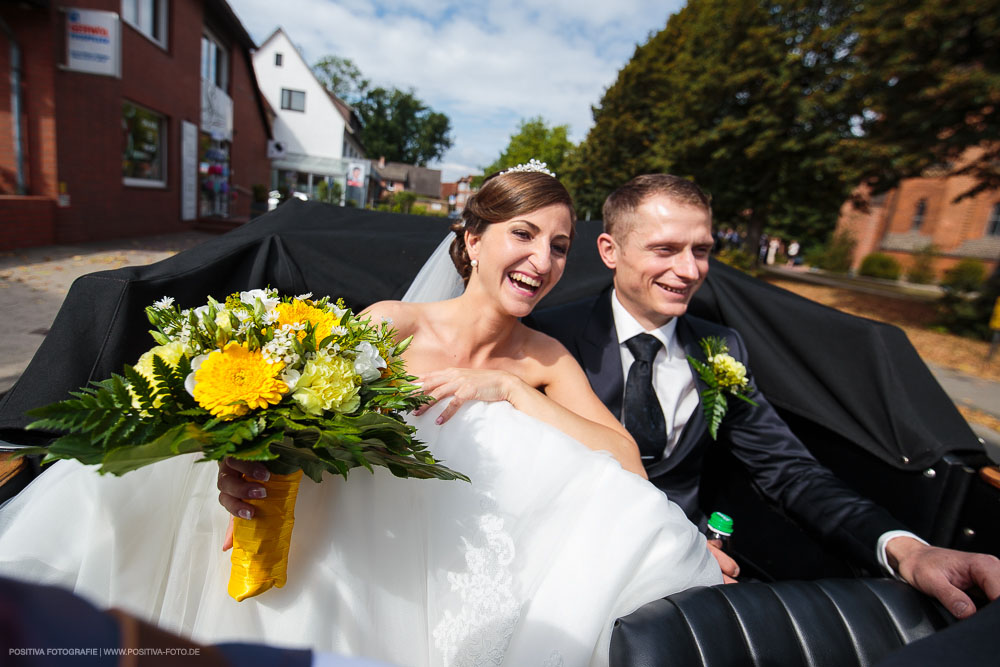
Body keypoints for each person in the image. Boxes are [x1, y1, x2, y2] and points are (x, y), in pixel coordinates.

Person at [0, 165, 721, 666]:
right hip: (340, 549)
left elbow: (626, 459)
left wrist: (512, 394)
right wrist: (242, 464)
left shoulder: (543, 359)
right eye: (523, 235)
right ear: (473, 241)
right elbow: (294, 416)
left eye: (560, 245)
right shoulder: (396, 325)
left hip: (449, 570)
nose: (544, 258)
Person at [528, 174, 1000, 618]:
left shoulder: (721, 349)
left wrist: (907, 549)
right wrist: (666, 548)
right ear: (610, 251)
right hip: (574, 561)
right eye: (666, 249)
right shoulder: (548, 338)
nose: (690, 270)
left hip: (692, 576)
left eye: (702, 250)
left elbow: (788, 469)